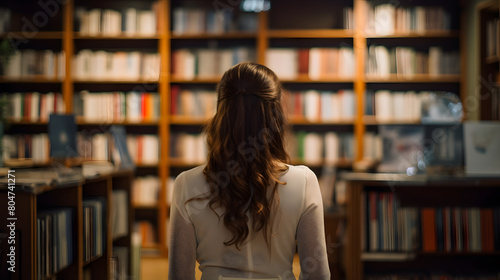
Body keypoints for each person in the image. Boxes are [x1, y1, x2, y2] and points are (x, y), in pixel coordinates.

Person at [168, 62, 330, 280]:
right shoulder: (304, 181)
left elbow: (179, 277)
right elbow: (318, 275)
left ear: (221, 115)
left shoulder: (186, 184)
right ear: (275, 117)